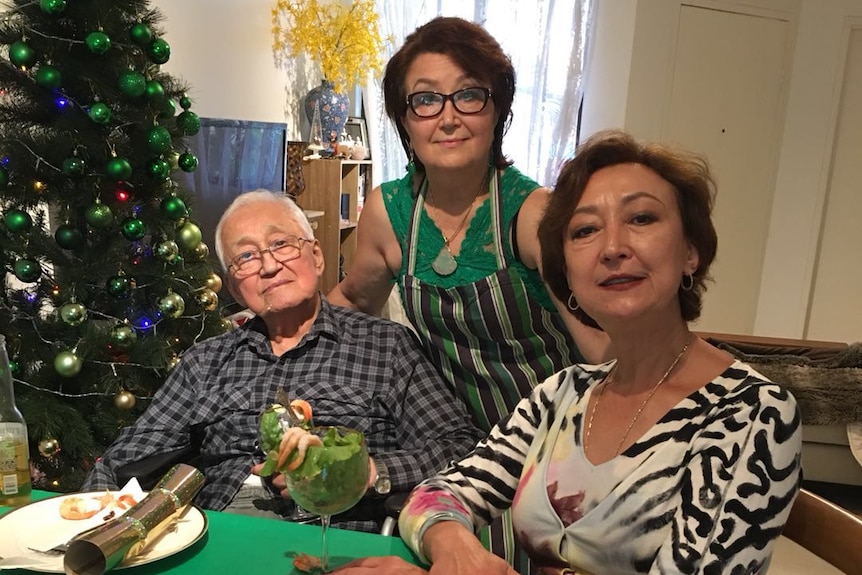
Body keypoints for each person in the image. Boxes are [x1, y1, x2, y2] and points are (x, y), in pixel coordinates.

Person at [334, 130, 803, 574]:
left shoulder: (752, 414)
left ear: (690, 252)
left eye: (641, 218)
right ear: (566, 275)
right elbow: (435, 494)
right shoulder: (563, 394)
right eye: (584, 231)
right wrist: (458, 553)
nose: (613, 247)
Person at [82, 190, 484, 533]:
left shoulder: (386, 346)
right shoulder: (205, 362)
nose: (270, 266)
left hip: (336, 541)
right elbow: (124, 459)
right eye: (247, 257)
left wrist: (365, 472)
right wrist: (91, 528)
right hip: (222, 537)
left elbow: (459, 446)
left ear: (317, 256)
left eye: (280, 245)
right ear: (235, 287)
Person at [327, 16, 610, 437]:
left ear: (497, 109)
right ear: (404, 119)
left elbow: (601, 351)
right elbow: (353, 300)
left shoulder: (534, 214)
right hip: (448, 445)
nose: (448, 117)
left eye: (469, 95)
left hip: (554, 441)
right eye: (425, 99)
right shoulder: (389, 211)